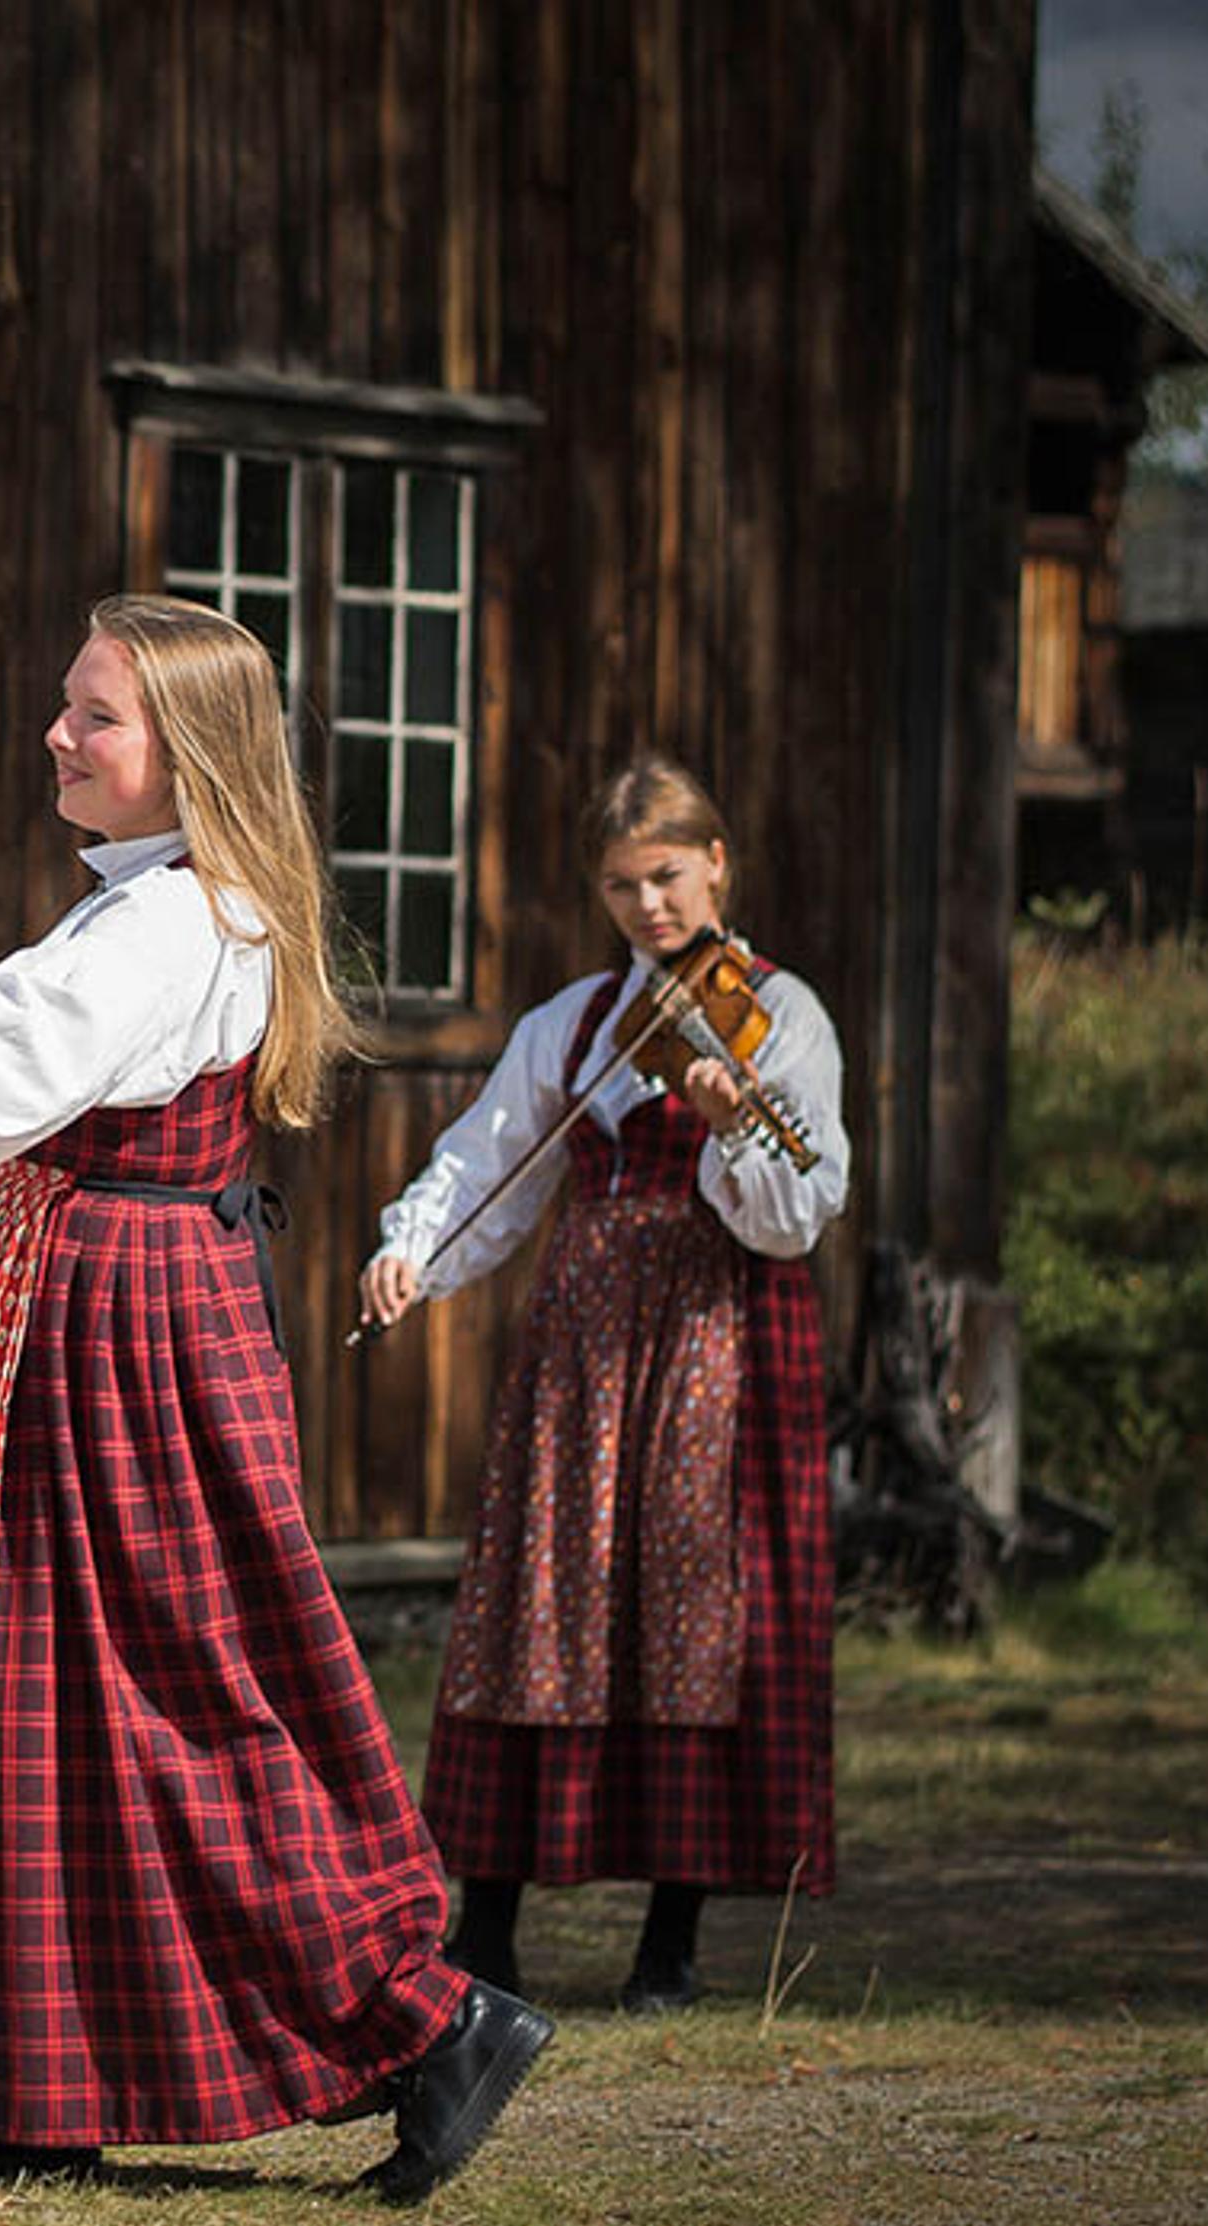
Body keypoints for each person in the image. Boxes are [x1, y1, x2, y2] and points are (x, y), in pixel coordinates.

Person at [0, 594, 546, 2204]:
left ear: (187, 752)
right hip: (92, 1316)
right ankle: (13, 2082)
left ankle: (430, 2019)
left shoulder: (177, 923)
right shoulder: (153, 905)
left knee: (167, 1705)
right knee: (15, 1693)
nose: (60, 733)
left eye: (96, 714)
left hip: (120, 1337)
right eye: (68, 704)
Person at [356, 751, 850, 2012]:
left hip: (711, 1343)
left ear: (719, 864)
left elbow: (796, 1214)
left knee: (688, 1615)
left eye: (670, 877)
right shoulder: (573, 1021)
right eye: (625, 885)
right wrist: (415, 1250)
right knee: (543, 1605)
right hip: (581, 1355)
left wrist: (737, 1116)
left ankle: (668, 1947)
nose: (650, 908)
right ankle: (491, 1928)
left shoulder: (780, 1017)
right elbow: (487, 1163)